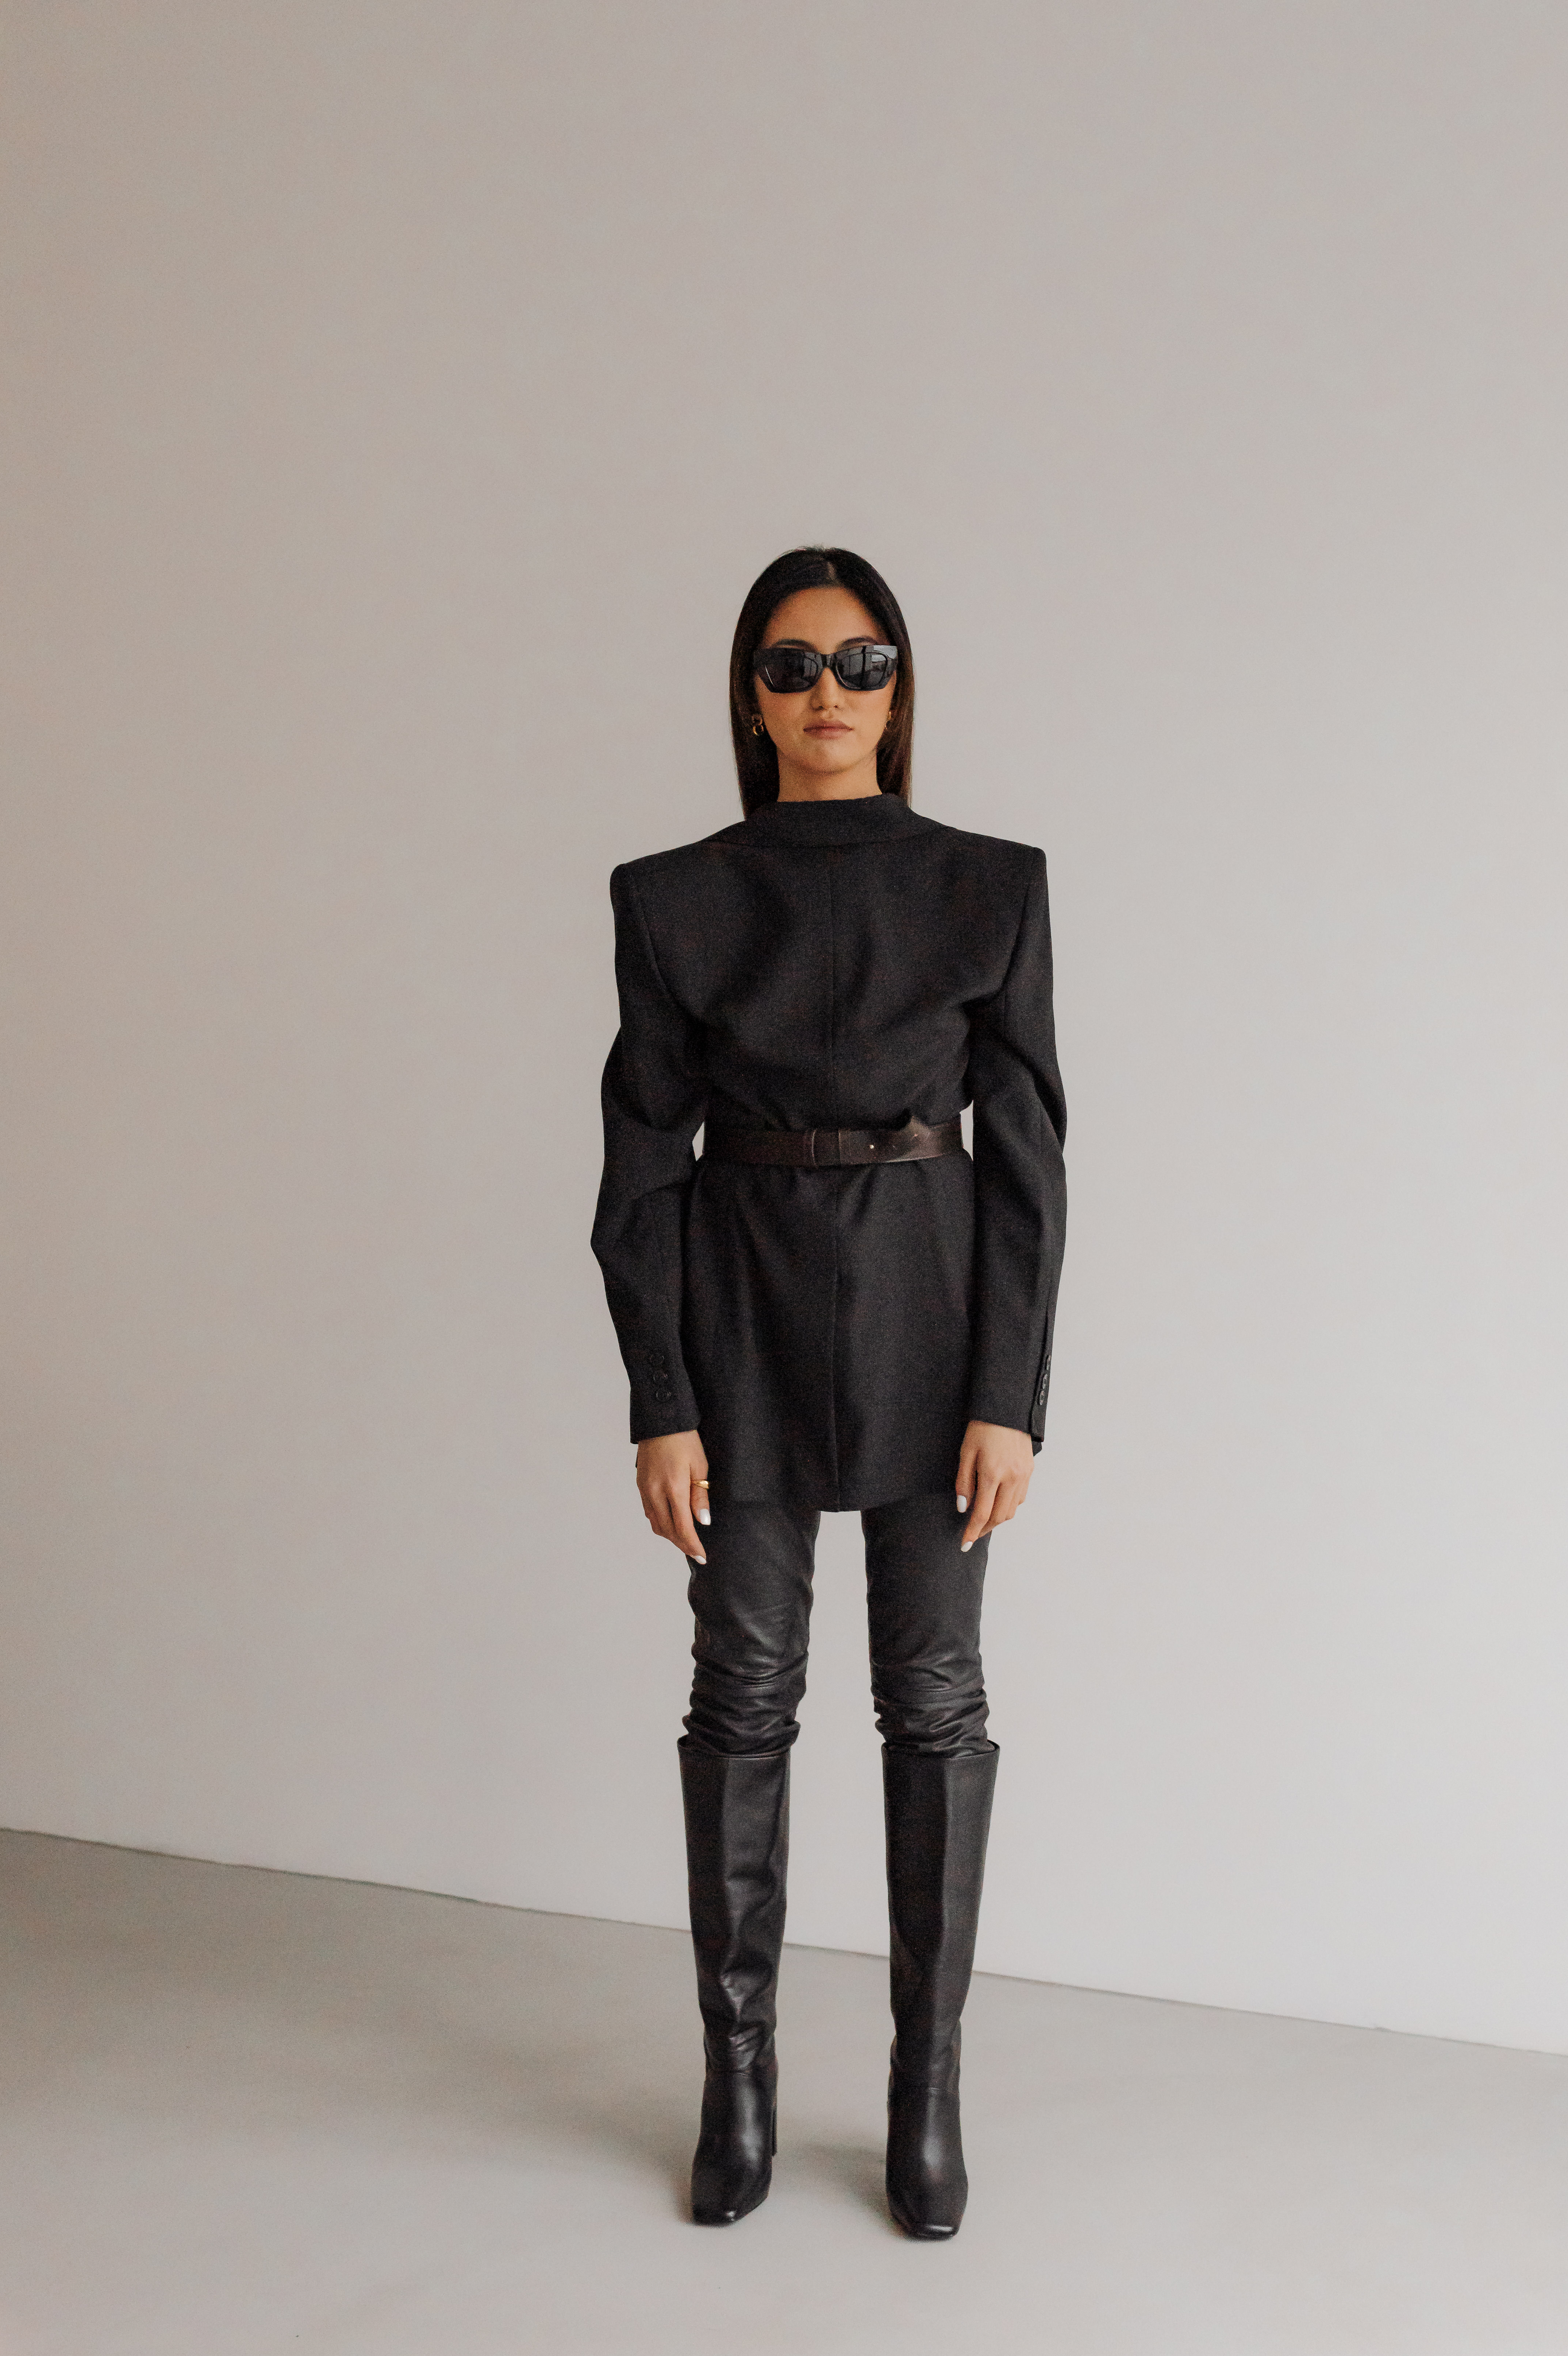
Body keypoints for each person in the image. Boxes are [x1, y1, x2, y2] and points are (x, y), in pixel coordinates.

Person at [591, 546, 1066, 2237]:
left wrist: (1009, 1392)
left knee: (933, 1701)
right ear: (748, 697)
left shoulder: (989, 886)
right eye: (791, 666)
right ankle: (737, 2089)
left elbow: (1030, 1162)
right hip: (740, 1321)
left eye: (860, 662)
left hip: (936, 1322)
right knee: (742, 1695)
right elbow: (637, 1164)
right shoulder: (673, 897)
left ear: (899, 686)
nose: (827, 694)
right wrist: (660, 1397)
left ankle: (922, 2097)